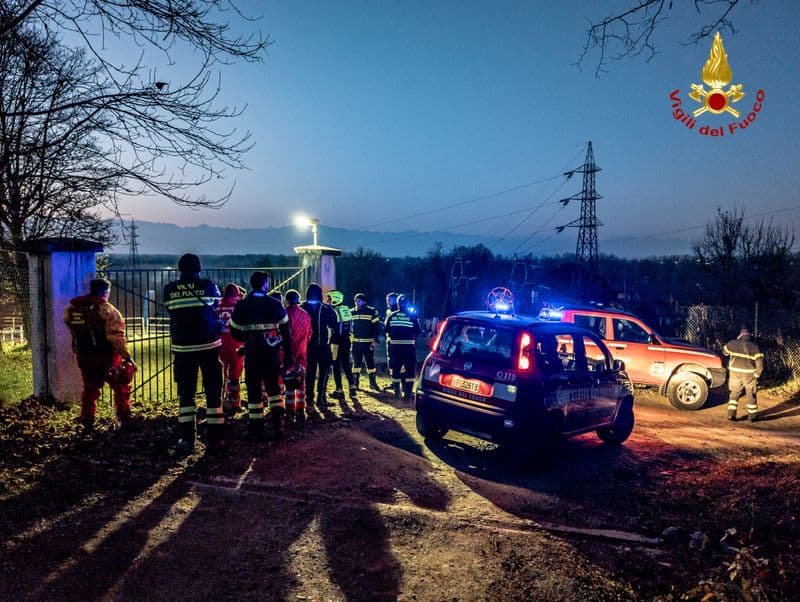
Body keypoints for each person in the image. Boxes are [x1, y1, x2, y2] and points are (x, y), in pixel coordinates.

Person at [163, 253, 224, 454]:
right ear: (198, 268)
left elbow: (171, 310)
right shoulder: (208, 286)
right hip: (209, 346)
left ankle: (186, 439)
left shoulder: (169, 289)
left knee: (186, 395)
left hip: (183, 349)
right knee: (213, 391)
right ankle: (215, 437)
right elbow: (216, 306)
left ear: (180, 269)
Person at [63, 278, 136, 430]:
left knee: (90, 388)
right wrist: (127, 357)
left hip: (84, 356)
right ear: (105, 292)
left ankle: (87, 419)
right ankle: (125, 418)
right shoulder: (107, 309)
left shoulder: (72, 308)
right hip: (107, 357)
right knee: (121, 386)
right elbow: (116, 336)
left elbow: (70, 325)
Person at [230, 271, 293, 440]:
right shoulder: (274, 304)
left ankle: (256, 428)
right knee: (273, 387)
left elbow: (234, 331)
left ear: (251, 284)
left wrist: (246, 339)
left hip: (252, 352)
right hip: (271, 352)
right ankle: (278, 425)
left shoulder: (243, 305)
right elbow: (286, 332)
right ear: (266, 284)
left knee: (253, 389)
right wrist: (288, 356)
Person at [301, 283, 337, 412]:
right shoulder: (326, 308)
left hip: (307, 346)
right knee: (323, 372)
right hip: (322, 346)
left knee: (310, 373)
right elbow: (335, 325)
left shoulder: (302, 307)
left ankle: (309, 399)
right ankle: (320, 399)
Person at [723, 327, 764, 422]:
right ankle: (752, 416)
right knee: (751, 393)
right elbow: (759, 362)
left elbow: (724, 352)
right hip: (749, 374)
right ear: (750, 336)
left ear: (740, 335)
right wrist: (757, 374)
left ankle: (731, 415)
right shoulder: (754, 346)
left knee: (734, 393)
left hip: (734, 372)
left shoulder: (732, 343)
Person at [385, 294, 421, 400]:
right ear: (407, 303)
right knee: (410, 370)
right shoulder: (413, 316)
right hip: (409, 348)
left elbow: (386, 329)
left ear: (397, 304)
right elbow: (418, 331)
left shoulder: (391, 315)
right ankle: (408, 393)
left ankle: (396, 392)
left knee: (396, 369)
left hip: (395, 348)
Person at [284, 289, 312, 424]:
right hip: (302, 351)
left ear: (287, 300)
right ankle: (300, 410)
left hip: (290, 352)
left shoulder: (286, 313)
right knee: (301, 381)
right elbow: (310, 333)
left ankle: (289, 411)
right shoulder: (306, 314)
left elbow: (284, 334)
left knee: (289, 382)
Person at [217, 283, 245, 414]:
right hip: (236, 346)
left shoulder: (217, 305)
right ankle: (235, 402)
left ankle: (219, 402)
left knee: (220, 376)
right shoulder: (239, 306)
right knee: (234, 376)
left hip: (220, 345)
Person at [327, 289, 356, 400]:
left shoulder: (333, 311)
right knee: (346, 364)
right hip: (347, 340)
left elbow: (331, 326)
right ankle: (352, 386)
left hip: (336, 341)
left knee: (336, 365)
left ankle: (339, 390)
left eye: (329, 298)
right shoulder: (346, 309)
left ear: (335, 299)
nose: (328, 300)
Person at [351, 293, 380, 391]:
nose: (357, 302)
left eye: (359, 300)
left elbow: (377, 327)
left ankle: (373, 383)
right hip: (355, 343)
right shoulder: (351, 312)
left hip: (368, 343)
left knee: (370, 363)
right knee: (356, 364)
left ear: (364, 301)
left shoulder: (371, 311)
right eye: (355, 301)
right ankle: (355, 383)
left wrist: (375, 340)